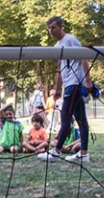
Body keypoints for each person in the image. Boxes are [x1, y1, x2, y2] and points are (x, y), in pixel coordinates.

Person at [40, 15, 93, 164]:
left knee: (65, 118)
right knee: (81, 120)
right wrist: (57, 88)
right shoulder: (57, 46)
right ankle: (84, 153)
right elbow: (60, 68)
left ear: (61, 27)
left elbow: (84, 57)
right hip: (68, 85)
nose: (51, 31)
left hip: (75, 84)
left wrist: (87, 81)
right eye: (49, 28)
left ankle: (56, 151)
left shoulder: (70, 39)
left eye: (53, 27)